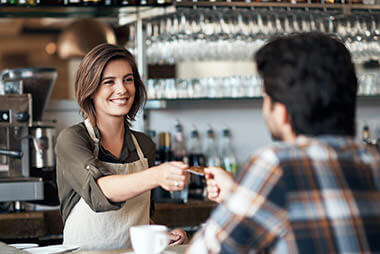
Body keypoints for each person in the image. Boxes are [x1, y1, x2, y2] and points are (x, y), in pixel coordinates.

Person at [187, 32, 380, 253]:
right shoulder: (372, 162)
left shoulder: (277, 165)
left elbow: (205, 250)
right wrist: (236, 193)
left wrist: (239, 195)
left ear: (281, 112)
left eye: (266, 97)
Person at [55, 43, 189, 250]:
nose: (122, 89)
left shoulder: (144, 145)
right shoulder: (72, 139)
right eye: (109, 82)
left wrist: (164, 235)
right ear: (90, 89)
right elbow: (100, 191)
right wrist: (157, 175)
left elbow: (138, 218)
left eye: (128, 79)